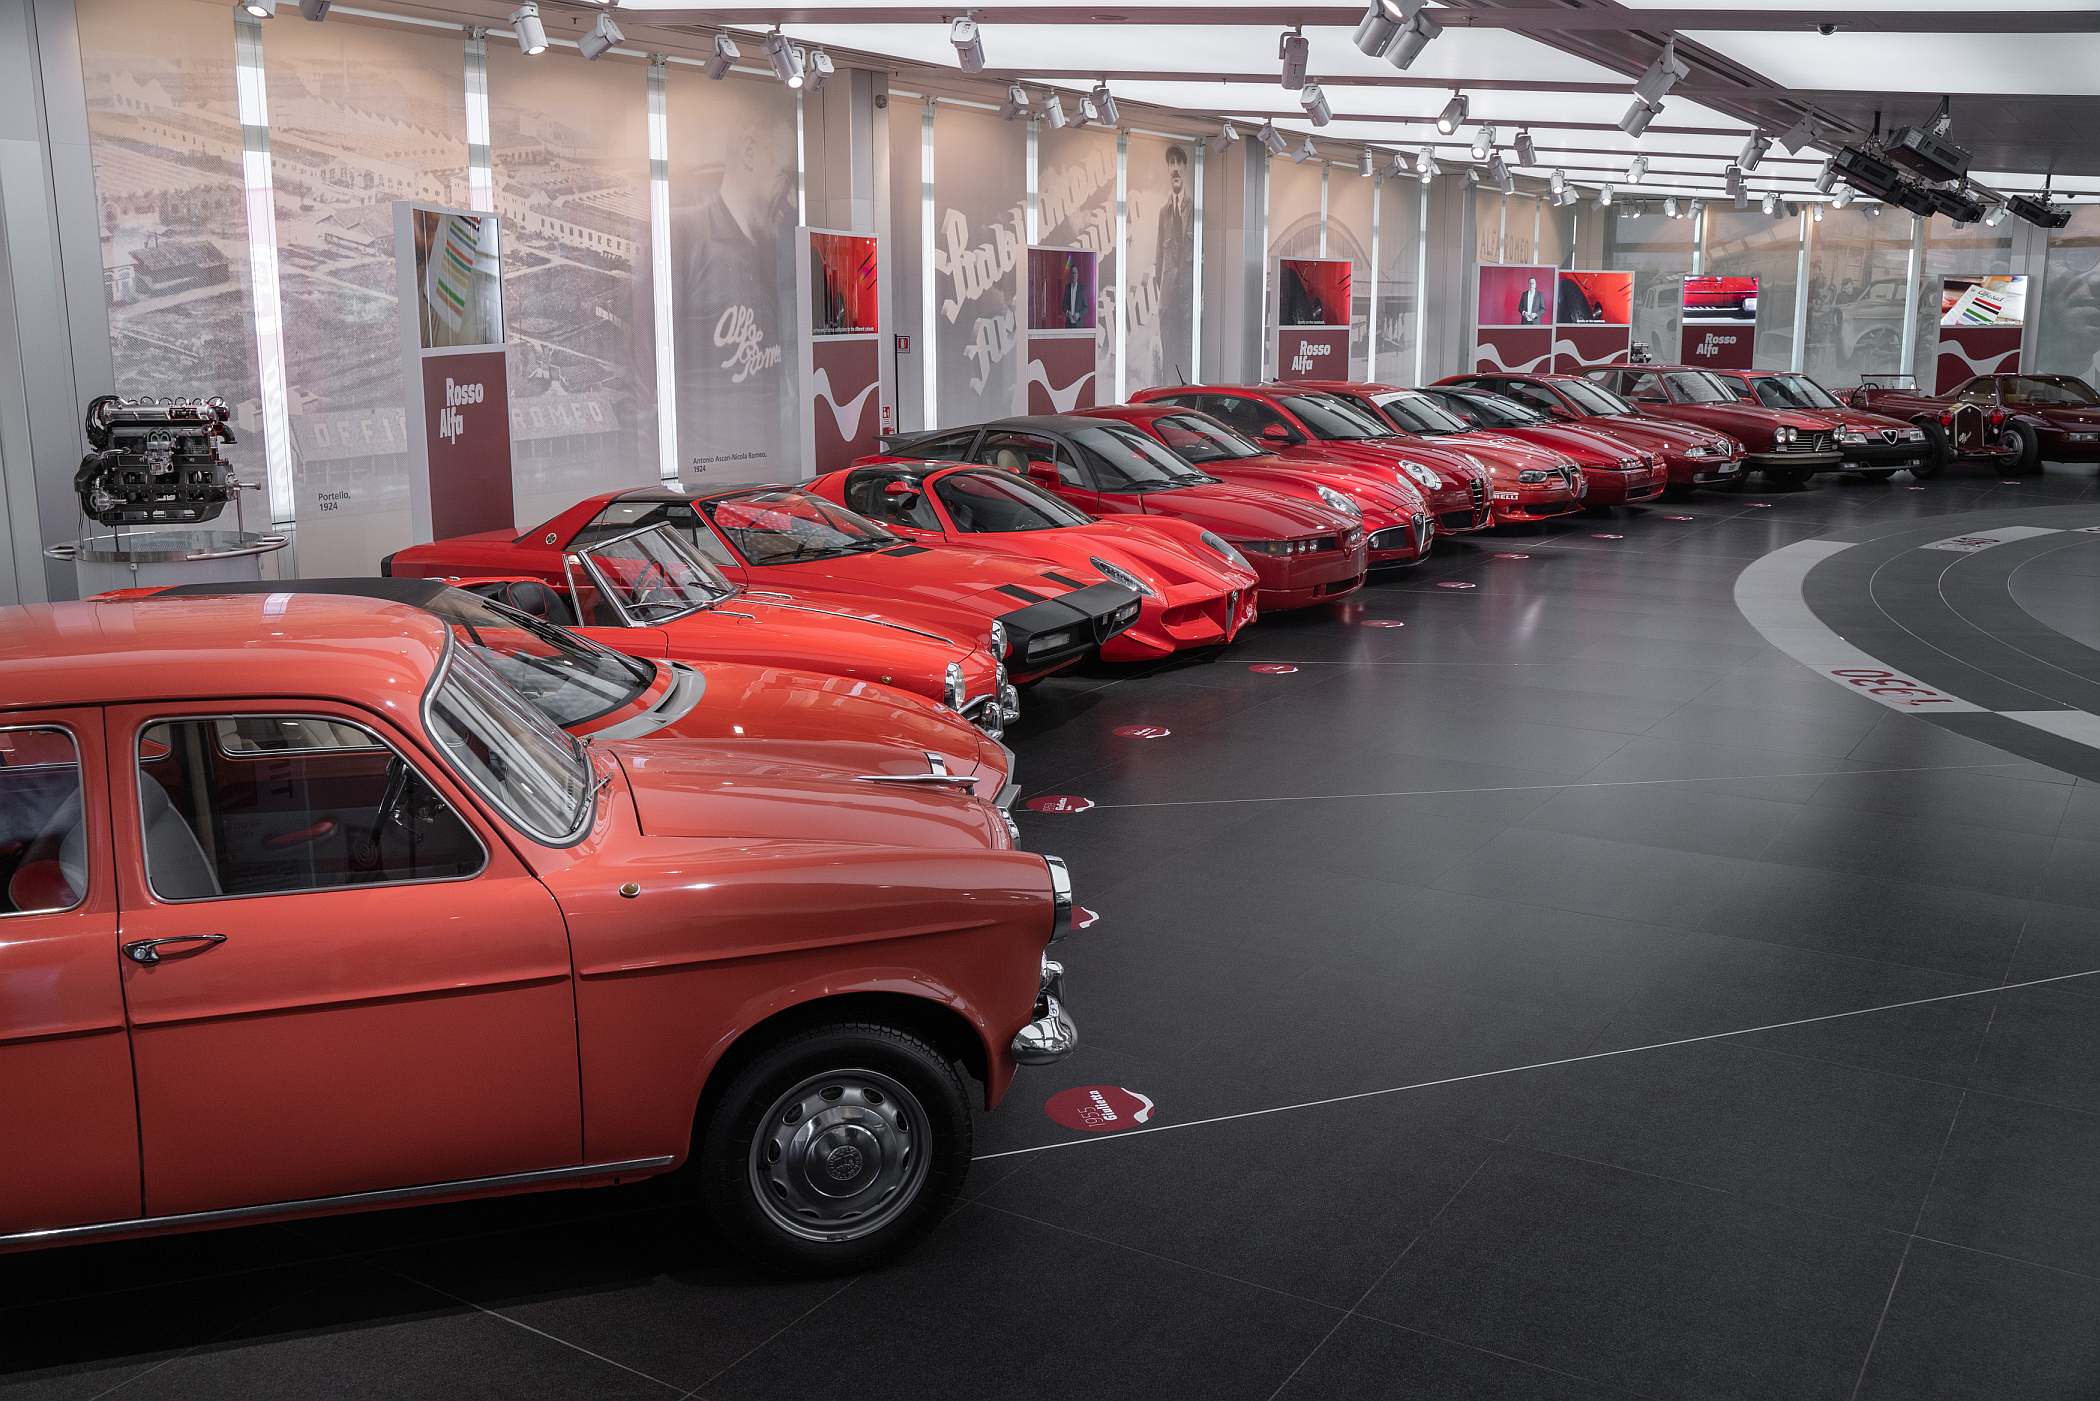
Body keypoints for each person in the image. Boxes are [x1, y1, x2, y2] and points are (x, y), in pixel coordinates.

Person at [1152, 144, 1193, 380]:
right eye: (1171, 163)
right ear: (1168, 169)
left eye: (1178, 163)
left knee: (1187, 359)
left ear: (1184, 167)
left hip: (1187, 303)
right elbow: (1159, 260)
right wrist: (1165, 295)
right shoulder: (1163, 213)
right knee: (1169, 362)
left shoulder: (1193, 210)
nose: (1175, 168)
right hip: (1169, 303)